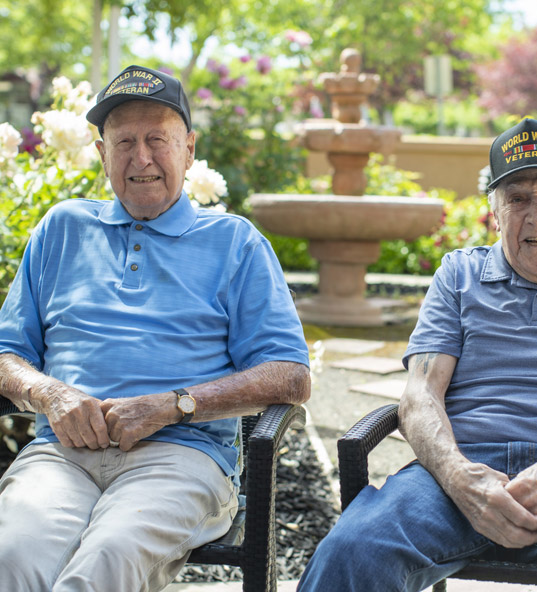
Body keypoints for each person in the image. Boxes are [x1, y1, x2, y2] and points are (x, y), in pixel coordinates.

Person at [0, 64, 310, 592]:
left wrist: (173, 405)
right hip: (61, 456)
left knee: (108, 561)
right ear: (102, 154)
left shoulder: (235, 242)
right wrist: (48, 393)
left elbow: (290, 377)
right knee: (10, 558)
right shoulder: (61, 228)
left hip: (181, 457)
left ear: (188, 149)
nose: (140, 158)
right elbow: (7, 352)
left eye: (156, 140)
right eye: (123, 142)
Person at [298, 118, 537, 592]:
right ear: (495, 213)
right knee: (353, 550)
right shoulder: (459, 276)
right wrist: (460, 479)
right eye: (518, 199)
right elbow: (419, 396)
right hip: (458, 480)